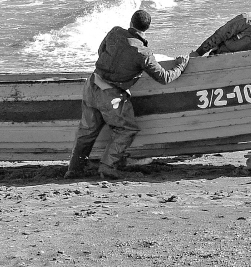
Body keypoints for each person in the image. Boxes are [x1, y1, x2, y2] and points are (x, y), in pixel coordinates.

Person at [67, 10, 188, 179]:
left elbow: (101, 51)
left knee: (86, 132)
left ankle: (74, 169)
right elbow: (164, 78)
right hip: (110, 95)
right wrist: (181, 66)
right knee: (126, 129)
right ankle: (107, 165)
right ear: (147, 28)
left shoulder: (115, 32)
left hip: (92, 83)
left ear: (131, 23)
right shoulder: (143, 53)